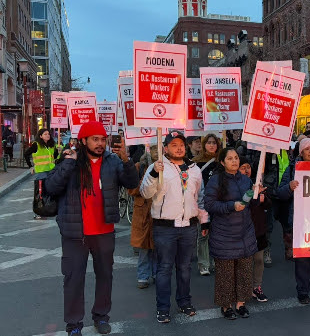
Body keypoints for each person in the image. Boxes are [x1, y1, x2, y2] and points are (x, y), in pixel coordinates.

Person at [45, 121, 138, 336]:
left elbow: (131, 183)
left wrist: (127, 160)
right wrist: (68, 162)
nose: (100, 143)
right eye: (95, 139)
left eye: (103, 139)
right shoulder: (70, 160)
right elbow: (51, 187)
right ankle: (74, 324)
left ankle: (101, 316)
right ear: (83, 140)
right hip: (74, 233)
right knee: (73, 279)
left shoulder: (113, 161)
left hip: (103, 231)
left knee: (105, 276)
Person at [140, 131, 206, 323]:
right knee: (164, 269)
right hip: (165, 228)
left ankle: (184, 302)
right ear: (166, 148)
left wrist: (204, 219)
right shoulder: (157, 167)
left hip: (188, 227)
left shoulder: (194, 169)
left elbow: (198, 197)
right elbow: (145, 193)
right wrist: (153, 173)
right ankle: (163, 308)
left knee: (185, 268)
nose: (179, 148)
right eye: (174, 144)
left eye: (181, 144)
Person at [204, 148, 258, 320]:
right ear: (222, 162)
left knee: (244, 271)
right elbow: (209, 205)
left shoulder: (246, 180)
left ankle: (241, 303)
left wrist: (258, 195)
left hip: (245, 232)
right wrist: (230, 206)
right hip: (224, 234)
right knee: (225, 274)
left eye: (236, 158)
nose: (234, 161)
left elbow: (253, 204)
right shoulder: (215, 180)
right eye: (230, 158)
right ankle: (226, 305)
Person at [278, 138, 310, 306]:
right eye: (308, 149)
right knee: (302, 258)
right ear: (301, 152)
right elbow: (280, 193)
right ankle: (303, 291)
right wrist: (289, 187)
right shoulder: (293, 168)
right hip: (300, 220)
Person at [239, 157, 271, 302]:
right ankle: (243, 289)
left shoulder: (257, 183)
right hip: (242, 230)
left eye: (248, 167)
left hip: (258, 229)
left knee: (258, 260)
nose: (246, 170)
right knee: (244, 262)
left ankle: (256, 287)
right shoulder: (235, 185)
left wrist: (263, 197)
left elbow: (268, 204)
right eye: (242, 167)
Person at [192, 133, 222, 275]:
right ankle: (204, 264)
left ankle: (217, 261)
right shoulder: (196, 163)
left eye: (214, 143)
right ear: (204, 145)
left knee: (217, 233)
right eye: (209, 142)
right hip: (202, 200)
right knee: (203, 233)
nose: (211, 145)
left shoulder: (222, 161)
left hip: (219, 202)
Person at [130, 145, 158, 289]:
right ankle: (143, 276)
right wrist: (143, 184)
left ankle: (156, 274)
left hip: (157, 209)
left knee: (157, 246)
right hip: (142, 211)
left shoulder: (165, 166)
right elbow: (131, 189)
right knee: (144, 248)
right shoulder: (139, 166)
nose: (156, 152)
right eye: (153, 149)